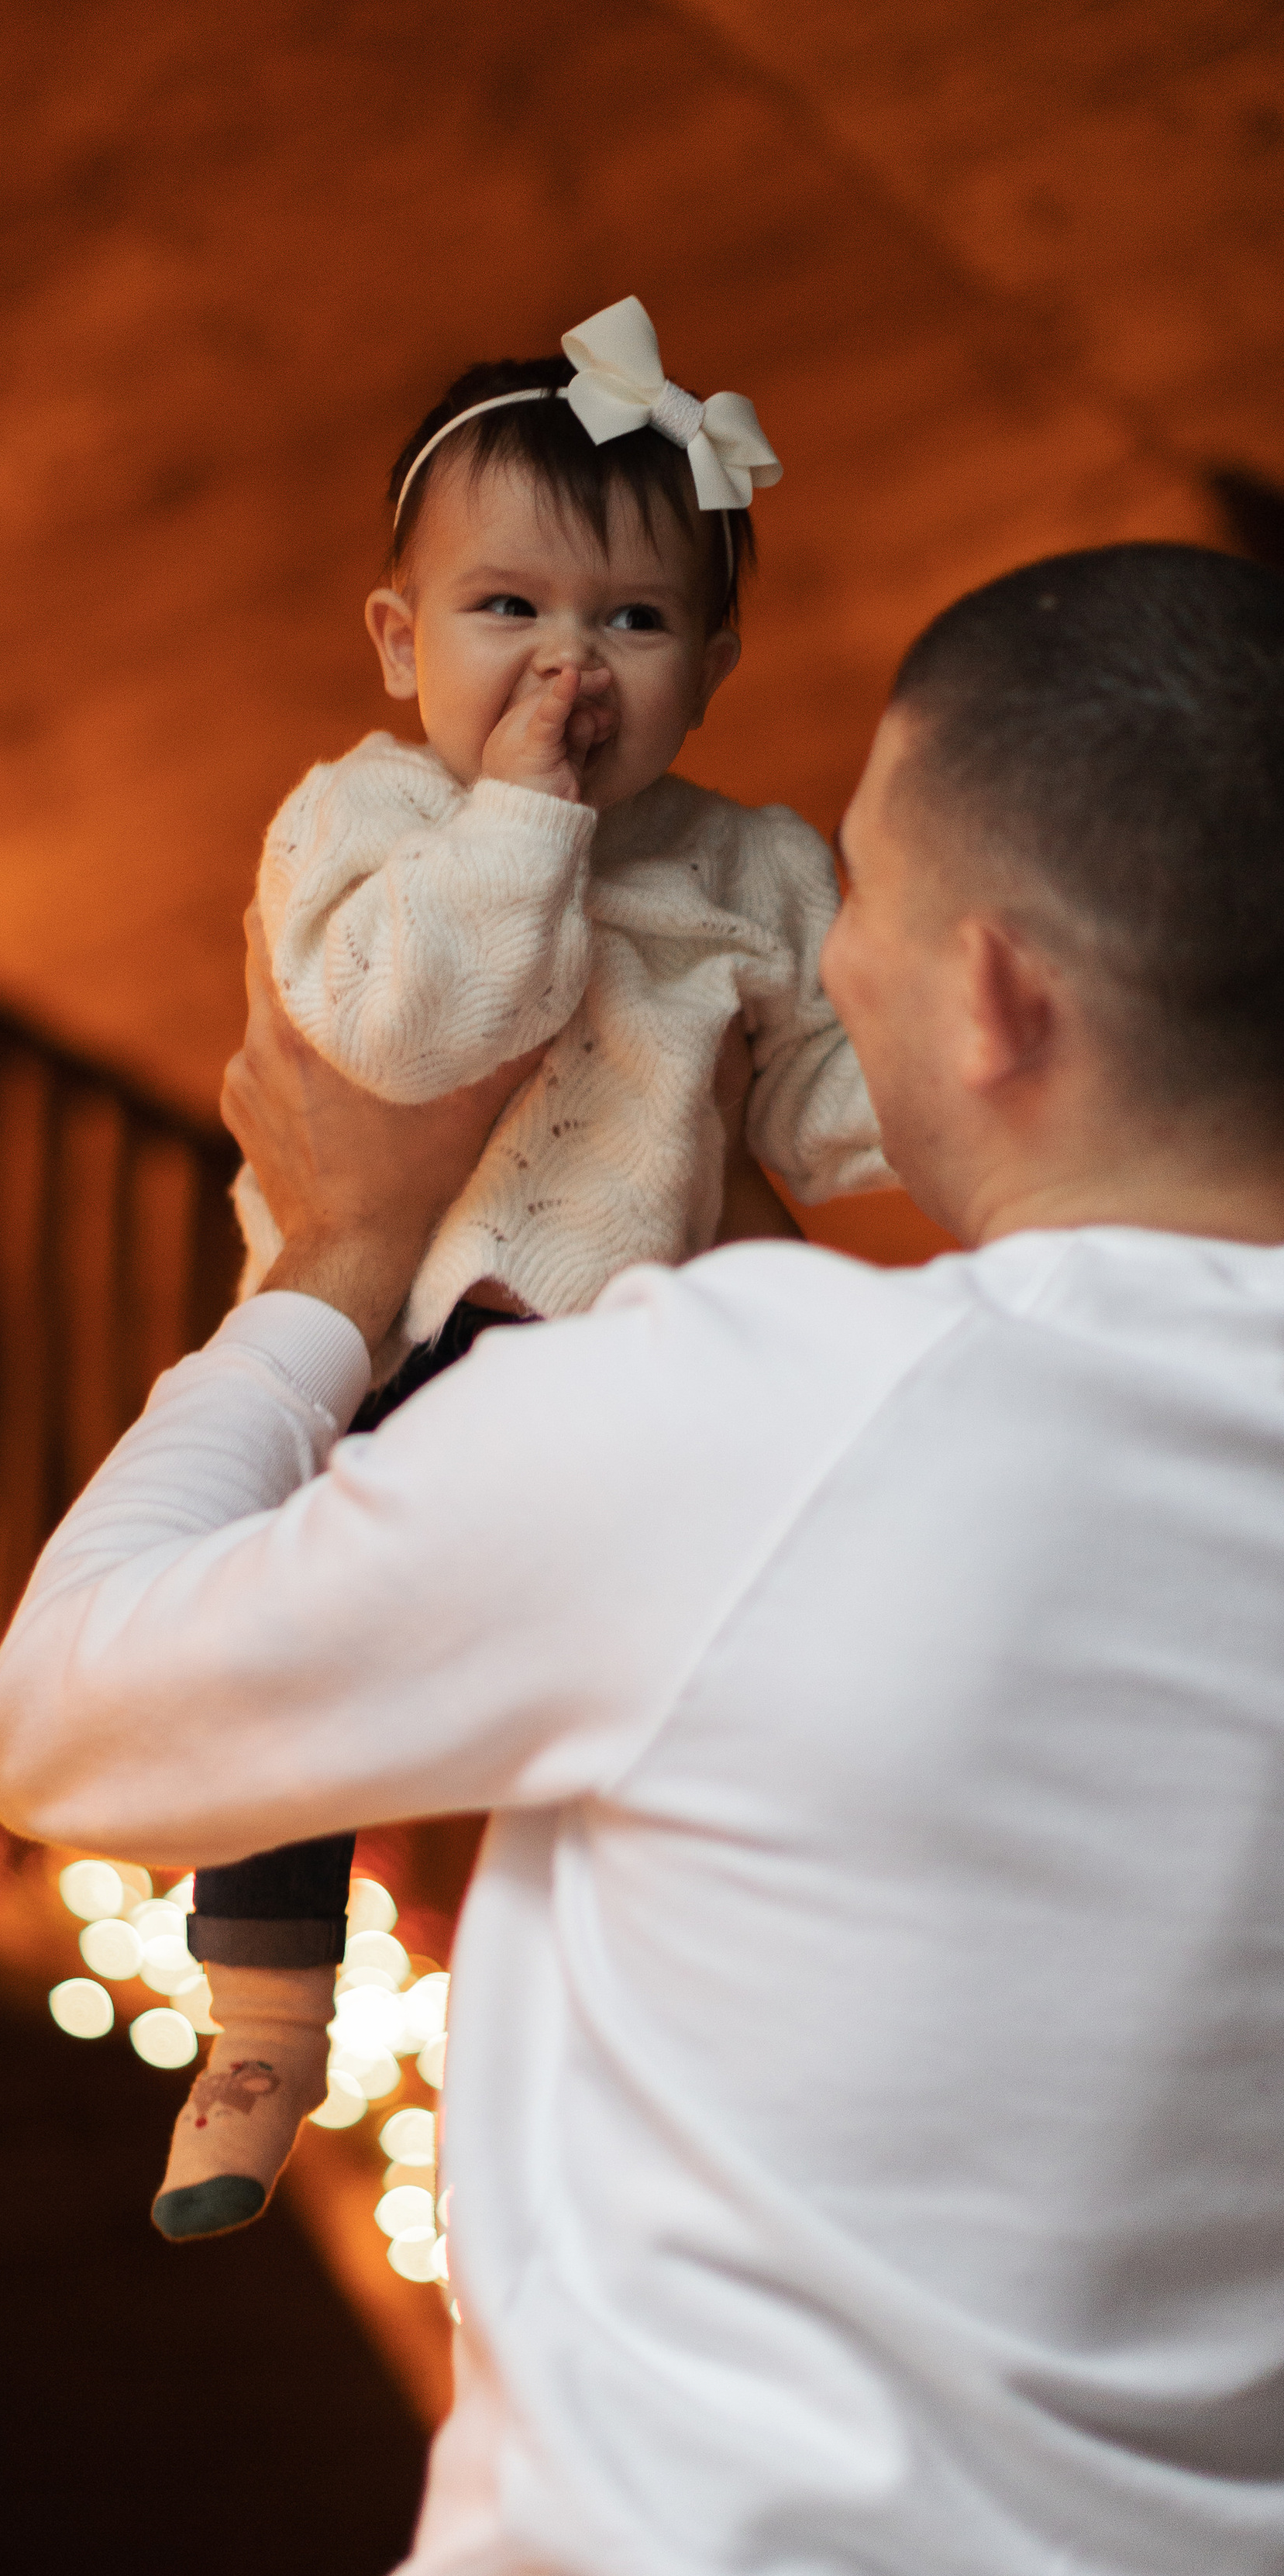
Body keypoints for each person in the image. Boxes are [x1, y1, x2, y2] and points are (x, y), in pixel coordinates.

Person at [0, 539, 1284, 2576]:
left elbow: (69, 1716)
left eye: (858, 897)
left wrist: (332, 1257)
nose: (825, 960)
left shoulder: (759, 1414)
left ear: (995, 995)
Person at [169, 296, 891, 2244]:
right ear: (397, 641)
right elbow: (407, 1040)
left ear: (711, 670)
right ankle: (260, 2023)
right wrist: (522, 817)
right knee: (289, 1659)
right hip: (404, 1356)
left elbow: (833, 1112)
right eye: (507, 610)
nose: (568, 663)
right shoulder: (365, 816)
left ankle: (670, 2053)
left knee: (707, 1696)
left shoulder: (758, 873)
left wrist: (965, 1057)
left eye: (633, 621)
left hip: (651, 1381)